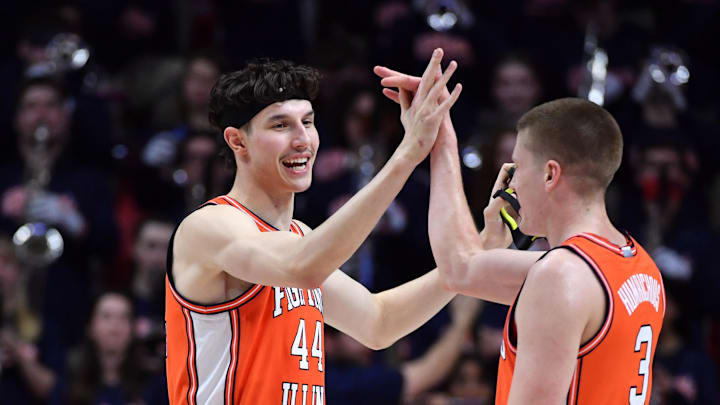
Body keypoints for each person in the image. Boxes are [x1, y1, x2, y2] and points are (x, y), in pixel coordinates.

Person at [165, 51, 476, 405]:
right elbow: (301, 268)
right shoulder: (210, 226)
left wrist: (467, 261)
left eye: (308, 122)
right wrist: (407, 154)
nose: (302, 140)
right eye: (280, 125)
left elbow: (378, 323)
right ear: (238, 141)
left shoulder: (301, 238)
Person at [375, 68, 666, 404]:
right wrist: (441, 134)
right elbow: (459, 269)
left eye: (517, 166)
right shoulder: (639, 265)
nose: (510, 183)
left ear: (549, 174)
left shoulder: (560, 276)